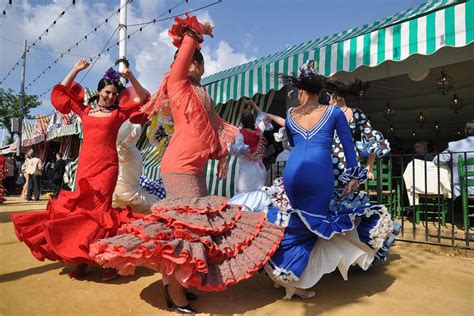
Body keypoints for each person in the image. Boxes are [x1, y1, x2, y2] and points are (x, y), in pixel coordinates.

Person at [90, 15, 284, 314]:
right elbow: (184, 55)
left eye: (199, 62)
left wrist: (220, 156)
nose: (197, 66)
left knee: (192, 228)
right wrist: (197, 33)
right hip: (180, 163)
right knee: (185, 231)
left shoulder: (201, 91)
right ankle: (174, 290)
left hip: (195, 164)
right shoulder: (178, 83)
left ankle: (177, 283)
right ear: (186, 61)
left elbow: (215, 126)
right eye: (193, 60)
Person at [263, 60, 392, 299]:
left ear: (301, 91)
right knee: (313, 227)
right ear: (320, 91)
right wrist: (354, 176)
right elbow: (348, 146)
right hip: (319, 174)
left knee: (299, 221)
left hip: (292, 173)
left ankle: (282, 268)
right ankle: (291, 278)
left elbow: (292, 143)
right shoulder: (333, 112)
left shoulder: (291, 114)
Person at [11, 60, 149, 281]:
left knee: (99, 214)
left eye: (114, 94)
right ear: (99, 92)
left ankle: (107, 263)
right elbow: (61, 94)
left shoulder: (118, 115)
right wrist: (75, 70)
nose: (111, 97)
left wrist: (131, 77)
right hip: (85, 168)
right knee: (81, 214)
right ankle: (83, 260)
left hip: (107, 169)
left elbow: (141, 99)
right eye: (107, 92)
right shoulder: (85, 112)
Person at [227, 100, 273, 211]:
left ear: (242, 121)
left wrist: (249, 155)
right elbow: (263, 115)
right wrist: (253, 104)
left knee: (243, 196)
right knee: (258, 193)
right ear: (253, 120)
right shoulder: (259, 130)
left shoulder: (240, 133)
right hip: (260, 168)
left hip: (247, 170)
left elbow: (237, 148)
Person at [112, 119, 159, 211]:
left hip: (131, 156)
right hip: (114, 155)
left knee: (129, 189)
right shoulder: (110, 114)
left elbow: (134, 134)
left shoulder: (135, 116)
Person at [433, 120, 474, 198]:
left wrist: (450, 165)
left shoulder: (455, 145)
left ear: (466, 131)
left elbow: (436, 160)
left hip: (461, 192)